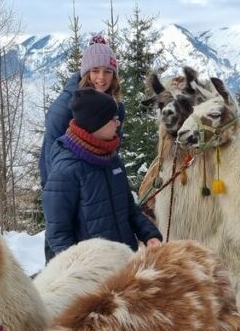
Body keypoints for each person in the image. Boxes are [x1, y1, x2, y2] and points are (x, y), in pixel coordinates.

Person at [42, 88, 162, 255]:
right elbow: (58, 233)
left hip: (125, 259)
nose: (118, 123)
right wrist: (80, 266)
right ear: (96, 123)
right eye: (114, 119)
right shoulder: (66, 171)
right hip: (93, 266)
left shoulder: (112, 159)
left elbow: (128, 207)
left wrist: (149, 235)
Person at [39, 34, 125, 262]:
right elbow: (52, 156)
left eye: (107, 71)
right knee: (64, 247)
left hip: (96, 183)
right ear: (85, 73)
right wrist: (59, 195)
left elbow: (112, 148)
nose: (101, 78)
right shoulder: (65, 108)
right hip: (64, 185)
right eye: (95, 71)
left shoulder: (115, 107)